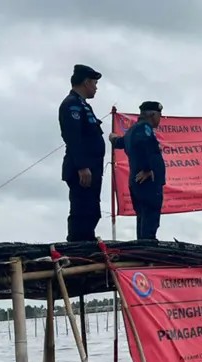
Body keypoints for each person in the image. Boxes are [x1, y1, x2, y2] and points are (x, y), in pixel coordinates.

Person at [59, 64, 105, 242]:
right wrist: (82, 166)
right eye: (94, 83)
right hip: (83, 169)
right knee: (82, 210)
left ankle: (86, 242)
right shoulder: (72, 105)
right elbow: (73, 137)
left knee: (92, 210)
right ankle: (78, 246)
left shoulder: (83, 105)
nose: (96, 87)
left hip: (93, 167)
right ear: (86, 82)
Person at [110, 101, 166, 240]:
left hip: (138, 182)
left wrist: (113, 138)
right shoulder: (144, 128)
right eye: (160, 115)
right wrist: (147, 168)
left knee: (144, 217)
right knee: (149, 218)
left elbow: (120, 143)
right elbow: (143, 145)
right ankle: (148, 249)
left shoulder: (133, 130)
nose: (160, 119)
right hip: (147, 182)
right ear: (153, 114)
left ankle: (144, 245)